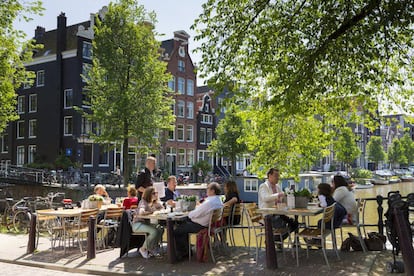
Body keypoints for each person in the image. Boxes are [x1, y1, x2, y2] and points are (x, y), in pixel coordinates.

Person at [173, 182, 223, 260]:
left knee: (177, 231)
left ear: (212, 191)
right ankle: (186, 250)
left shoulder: (209, 202)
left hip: (200, 225)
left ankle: (183, 253)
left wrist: (189, 214)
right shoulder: (218, 201)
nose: (206, 190)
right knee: (182, 225)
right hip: (209, 224)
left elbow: (195, 214)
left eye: (208, 188)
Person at [258, 168, 298, 233]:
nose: (278, 178)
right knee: (281, 222)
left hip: (278, 213)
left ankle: (279, 238)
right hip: (268, 215)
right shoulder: (263, 186)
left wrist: (290, 196)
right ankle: (276, 239)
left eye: (278, 176)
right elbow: (265, 198)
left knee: (294, 223)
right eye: (276, 176)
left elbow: (283, 197)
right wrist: (278, 195)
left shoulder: (277, 186)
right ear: (270, 176)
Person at [132, 187, 164, 259]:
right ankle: (143, 249)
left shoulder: (153, 202)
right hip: (138, 224)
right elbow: (141, 212)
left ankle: (153, 248)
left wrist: (159, 205)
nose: (156, 194)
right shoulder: (143, 202)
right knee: (154, 231)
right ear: (148, 194)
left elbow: (163, 208)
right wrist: (151, 212)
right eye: (153, 193)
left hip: (146, 224)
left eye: (156, 193)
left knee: (160, 228)